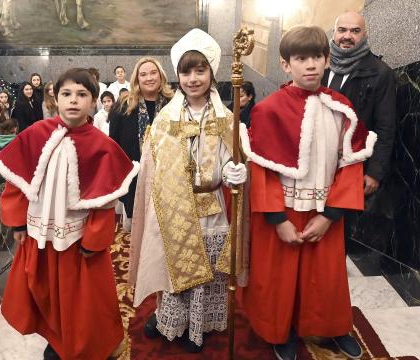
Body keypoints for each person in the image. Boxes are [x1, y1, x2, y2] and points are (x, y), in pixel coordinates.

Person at [241, 26, 376, 360]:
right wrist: (277, 219)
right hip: (282, 212)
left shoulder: (342, 108)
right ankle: (279, 330)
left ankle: (331, 328)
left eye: (317, 57)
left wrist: (330, 215)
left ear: (327, 60)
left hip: (325, 208)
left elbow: (350, 164)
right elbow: (262, 169)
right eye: (301, 58)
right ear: (286, 65)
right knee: (278, 278)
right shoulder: (268, 110)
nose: (310, 65)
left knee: (326, 278)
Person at [0, 68, 137, 360]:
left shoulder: (102, 146)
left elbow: (104, 203)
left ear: (93, 101)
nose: (73, 101)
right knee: (45, 294)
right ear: (55, 97)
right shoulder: (35, 134)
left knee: (83, 301)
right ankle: (56, 340)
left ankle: (88, 345)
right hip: (40, 236)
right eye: (67, 93)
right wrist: (18, 223)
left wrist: (93, 241)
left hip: (78, 242)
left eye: (82, 94)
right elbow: (17, 181)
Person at [128, 28, 248, 353]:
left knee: (205, 274)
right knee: (172, 272)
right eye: (186, 71)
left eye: (200, 70)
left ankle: (199, 326)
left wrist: (234, 172)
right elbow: (154, 169)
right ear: (177, 75)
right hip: (172, 208)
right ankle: (171, 320)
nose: (193, 79)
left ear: (212, 72)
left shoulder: (227, 118)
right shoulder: (166, 119)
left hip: (210, 208)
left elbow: (229, 159)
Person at [323, 11, 396, 197]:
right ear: (334, 33)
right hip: (317, 161)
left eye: (355, 31)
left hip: (353, 165)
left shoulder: (380, 73)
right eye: (342, 30)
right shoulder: (318, 65)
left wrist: (375, 172)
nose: (347, 36)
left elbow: (385, 127)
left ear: (364, 35)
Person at [109, 57, 173, 231]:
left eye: (153, 73)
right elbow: (113, 144)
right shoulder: (123, 106)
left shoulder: (173, 104)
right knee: (139, 232)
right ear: (137, 79)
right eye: (143, 74)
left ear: (161, 76)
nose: (149, 78)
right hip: (135, 178)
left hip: (168, 178)